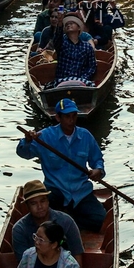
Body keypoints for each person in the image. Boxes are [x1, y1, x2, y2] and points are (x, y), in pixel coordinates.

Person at [17, 98, 106, 231]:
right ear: (58, 117)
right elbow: (24, 153)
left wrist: (98, 170)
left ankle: (68, 223)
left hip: (80, 191)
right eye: (67, 116)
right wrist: (27, 141)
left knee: (101, 220)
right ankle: (65, 222)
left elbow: (97, 160)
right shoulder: (44, 136)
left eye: (74, 116)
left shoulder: (85, 136)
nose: (71, 120)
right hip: (55, 191)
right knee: (38, 220)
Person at [12, 180, 85, 266]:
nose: (39, 207)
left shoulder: (66, 221)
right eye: (33, 203)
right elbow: (23, 263)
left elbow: (77, 254)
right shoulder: (19, 229)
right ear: (27, 206)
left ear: (48, 201)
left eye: (42, 201)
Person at [49, 13, 97, 87]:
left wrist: (83, 78)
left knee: (90, 85)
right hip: (62, 80)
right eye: (67, 24)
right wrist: (60, 23)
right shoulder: (61, 43)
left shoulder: (87, 46)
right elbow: (57, 37)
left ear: (78, 28)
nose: (68, 25)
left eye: (72, 23)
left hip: (80, 80)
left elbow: (91, 66)